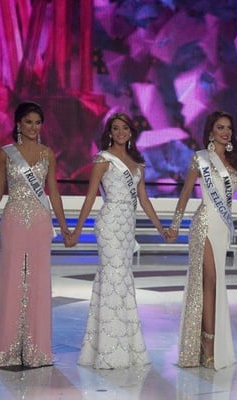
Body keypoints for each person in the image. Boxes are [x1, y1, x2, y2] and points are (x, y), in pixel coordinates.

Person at [166, 111, 237, 369]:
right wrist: (175, 226)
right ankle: (207, 346)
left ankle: (209, 343)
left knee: (215, 283)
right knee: (209, 282)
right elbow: (185, 193)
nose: (225, 132)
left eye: (229, 128)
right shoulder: (200, 159)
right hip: (203, 223)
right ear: (211, 132)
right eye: (220, 127)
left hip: (223, 227)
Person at [64, 112, 167, 369]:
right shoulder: (102, 159)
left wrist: (161, 228)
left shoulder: (137, 164)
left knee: (122, 281)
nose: (120, 132)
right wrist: (77, 231)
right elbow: (90, 198)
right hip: (109, 223)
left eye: (125, 128)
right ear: (110, 131)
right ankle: (108, 349)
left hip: (127, 226)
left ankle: (125, 345)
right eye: (115, 128)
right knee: (113, 278)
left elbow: (143, 200)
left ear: (131, 132)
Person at [0, 102, 69, 368]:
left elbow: (53, 191)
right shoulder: (6, 153)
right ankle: (5, 349)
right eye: (28, 121)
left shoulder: (48, 154)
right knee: (11, 280)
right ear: (18, 123)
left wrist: (63, 227)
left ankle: (35, 350)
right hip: (14, 220)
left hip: (40, 222)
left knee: (38, 283)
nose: (33, 127)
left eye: (37, 122)